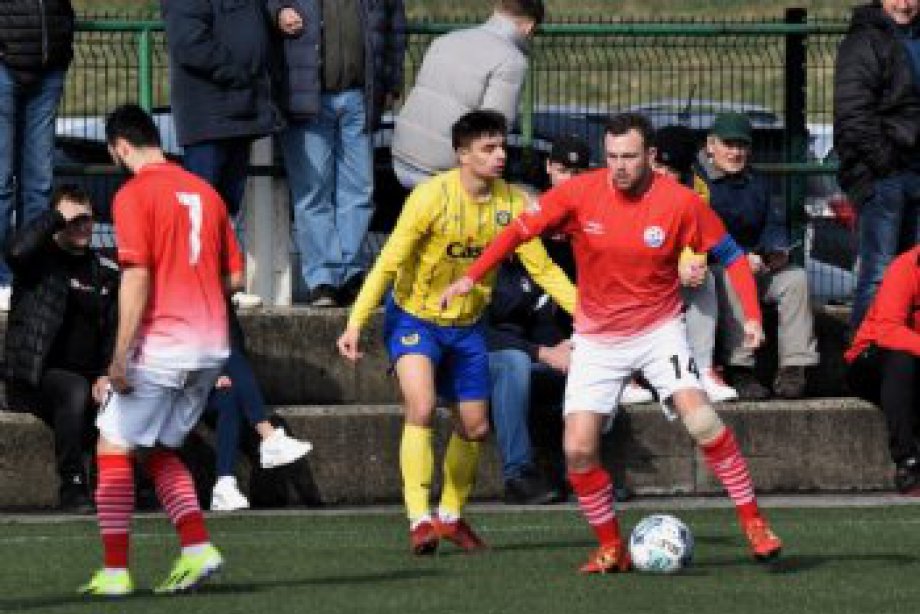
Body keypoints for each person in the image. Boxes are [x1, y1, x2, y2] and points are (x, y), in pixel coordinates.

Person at [440, 112, 783, 573]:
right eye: (613, 156)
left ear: (651, 156)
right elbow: (518, 231)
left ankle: (755, 524)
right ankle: (610, 546)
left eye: (630, 157)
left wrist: (753, 318)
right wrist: (470, 277)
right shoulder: (580, 192)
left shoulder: (680, 202)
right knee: (578, 449)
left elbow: (732, 257)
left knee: (701, 419)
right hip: (598, 340)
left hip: (659, 331)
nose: (620, 166)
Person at [337, 110, 576, 555]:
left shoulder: (512, 204)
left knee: (476, 426)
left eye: (502, 146)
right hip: (414, 319)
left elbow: (543, 270)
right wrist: (356, 321)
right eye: (488, 148)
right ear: (463, 155)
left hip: (467, 327)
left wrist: (588, 314)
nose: (500, 155)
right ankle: (418, 519)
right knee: (422, 404)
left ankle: (449, 516)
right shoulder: (430, 198)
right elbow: (388, 262)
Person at [78, 104, 243, 597]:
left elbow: (137, 276)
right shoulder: (205, 192)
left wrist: (119, 357)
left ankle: (115, 572)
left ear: (120, 148)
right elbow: (237, 277)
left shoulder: (133, 195)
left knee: (112, 446)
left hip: (163, 346)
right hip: (211, 346)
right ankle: (196, 549)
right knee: (158, 450)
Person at [269, 0, 407, 308]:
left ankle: (351, 274)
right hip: (305, 96)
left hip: (360, 95)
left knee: (359, 191)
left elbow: (395, 25)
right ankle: (324, 279)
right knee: (313, 192)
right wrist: (278, 12)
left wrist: (392, 81)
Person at [3, 184, 118, 513]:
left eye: (87, 219)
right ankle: (73, 484)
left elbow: (113, 331)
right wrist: (55, 217)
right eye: (73, 219)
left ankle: (128, 483)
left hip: (89, 376)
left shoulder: (105, 271)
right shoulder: (37, 261)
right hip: (34, 376)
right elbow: (14, 252)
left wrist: (106, 373)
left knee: (123, 390)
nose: (81, 226)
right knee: (74, 389)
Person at [160, 0, 278, 308]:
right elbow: (189, 42)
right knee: (201, 207)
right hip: (209, 115)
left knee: (227, 205)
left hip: (239, 111)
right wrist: (238, 73)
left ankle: (221, 284)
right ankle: (194, 286)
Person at [694, 112, 819, 400]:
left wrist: (775, 248)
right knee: (734, 276)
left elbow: (772, 222)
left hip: (756, 261)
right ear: (711, 145)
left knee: (796, 279)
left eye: (742, 145)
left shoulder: (756, 180)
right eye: (729, 144)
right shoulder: (697, 181)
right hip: (713, 267)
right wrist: (739, 259)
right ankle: (740, 367)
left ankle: (794, 368)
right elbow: (697, 235)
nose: (736, 152)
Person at [391, 0, 544, 189]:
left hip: (402, 154)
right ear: (529, 27)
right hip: (443, 168)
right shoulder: (511, 60)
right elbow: (493, 126)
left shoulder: (447, 39)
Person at [834, 0, 920, 330]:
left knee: (912, 274)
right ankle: (865, 352)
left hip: (911, 169)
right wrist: (884, 163)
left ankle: (903, 352)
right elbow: (853, 113)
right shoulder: (864, 41)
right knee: (879, 273)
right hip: (883, 173)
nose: (905, 4)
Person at [652, 125, 739, 403]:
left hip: (673, 269)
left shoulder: (698, 189)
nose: (663, 174)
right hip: (636, 271)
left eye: (672, 170)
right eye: (659, 166)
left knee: (706, 279)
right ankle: (628, 378)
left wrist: (691, 265)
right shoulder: (635, 185)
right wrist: (670, 266)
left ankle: (702, 370)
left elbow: (696, 237)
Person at [0, 0, 75, 311]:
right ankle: (3, 278)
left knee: (39, 183)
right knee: (1, 183)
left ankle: (28, 277)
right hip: (5, 66)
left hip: (49, 65)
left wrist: (62, 49)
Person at [207, 305, 313, 512]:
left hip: (207, 382)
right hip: (173, 383)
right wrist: (205, 378)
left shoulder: (218, 306)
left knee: (230, 395)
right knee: (228, 354)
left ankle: (224, 484)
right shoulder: (176, 304)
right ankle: (268, 435)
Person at [845, 245, 920, 494]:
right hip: (871, 359)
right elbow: (888, 331)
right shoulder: (905, 267)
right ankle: (908, 463)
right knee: (901, 360)